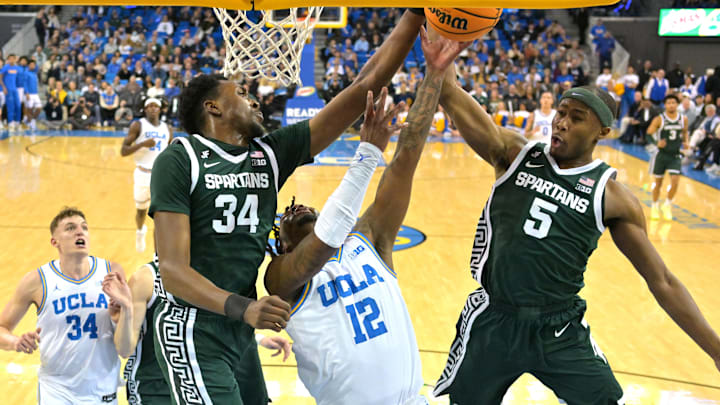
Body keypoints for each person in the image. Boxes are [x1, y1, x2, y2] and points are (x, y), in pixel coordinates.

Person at [148, 10, 426, 404]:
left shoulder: (268, 155)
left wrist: (416, 15)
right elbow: (173, 272)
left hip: (239, 327)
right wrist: (244, 308)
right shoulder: (181, 159)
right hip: (194, 325)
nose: (254, 101)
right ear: (213, 108)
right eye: (241, 95)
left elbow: (365, 84)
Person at [430, 38, 720, 403]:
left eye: (576, 118)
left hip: (559, 326)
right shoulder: (516, 154)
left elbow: (662, 281)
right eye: (561, 113)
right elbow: (452, 95)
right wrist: (442, 59)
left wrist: (716, 349)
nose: (561, 124)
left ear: (602, 132)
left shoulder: (614, 199)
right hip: (495, 319)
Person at [264, 28, 465, 405]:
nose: (296, 207)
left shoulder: (367, 239)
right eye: (287, 215)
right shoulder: (280, 279)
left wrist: (434, 75)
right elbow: (321, 246)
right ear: (283, 244)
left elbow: (406, 157)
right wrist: (366, 156)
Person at [102, 252, 292, 405]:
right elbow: (125, 349)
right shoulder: (145, 278)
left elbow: (207, 327)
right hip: (156, 388)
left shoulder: (210, 272)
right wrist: (127, 308)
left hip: (202, 380)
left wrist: (258, 339)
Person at [0, 207, 125, 403]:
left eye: (84, 227)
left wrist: (125, 312)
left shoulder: (111, 272)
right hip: (57, 390)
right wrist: (15, 342)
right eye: (70, 228)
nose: (80, 231)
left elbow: (129, 334)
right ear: (54, 241)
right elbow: (2, 328)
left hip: (102, 386)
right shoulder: (37, 281)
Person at [120, 97, 173, 252]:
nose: (152, 108)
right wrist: (142, 144)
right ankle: (140, 231)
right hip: (142, 173)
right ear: (145, 109)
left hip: (161, 175)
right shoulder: (138, 125)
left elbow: (170, 151)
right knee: (141, 211)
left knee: (160, 213)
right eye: (149, 106)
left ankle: (159, 249)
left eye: (155, 106)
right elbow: (123, 151)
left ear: (160, 109)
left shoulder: (167, 128)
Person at [645, 94, 688, 221]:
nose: (671, 105)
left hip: (675, 155)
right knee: (658, 183)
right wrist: (655, 143)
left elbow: (685, 132)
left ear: (677, 104)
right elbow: (648, 134)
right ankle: (654, 205)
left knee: (675, 181)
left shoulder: (683, 119)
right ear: (665, 105)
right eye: (668, 103)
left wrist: (686, 141)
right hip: (661, 155)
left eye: (673, 103)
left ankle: (667, 205)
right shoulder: (659, 119)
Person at [0, 54, 22, 131]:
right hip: (8, 89)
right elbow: (0, 78)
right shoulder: (6, 67)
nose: (12, 60)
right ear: (8, 60)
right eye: (10, 59)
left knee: (18, 106)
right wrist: (4, 87)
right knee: (10, 106)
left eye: (13, 58)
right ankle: (11, 123)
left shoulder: (16, 68)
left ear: (15, 59)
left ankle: (17, 122)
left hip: (15, 89)